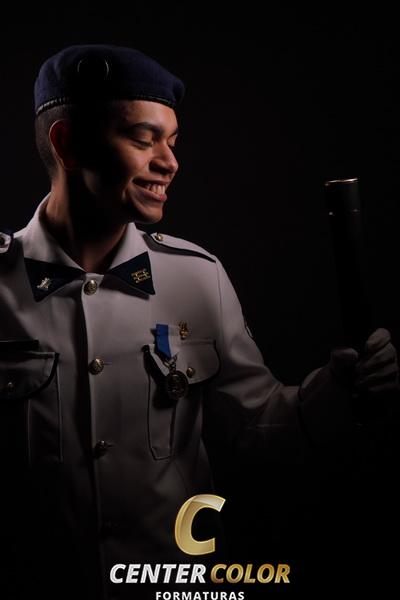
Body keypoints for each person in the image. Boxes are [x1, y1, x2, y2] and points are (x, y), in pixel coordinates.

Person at [0, 44, 397, 600]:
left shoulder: (197, 277)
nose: (170, 162)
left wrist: (339, 388)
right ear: (67, 144)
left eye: (172, 141)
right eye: (144, 139)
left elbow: (257, 428)